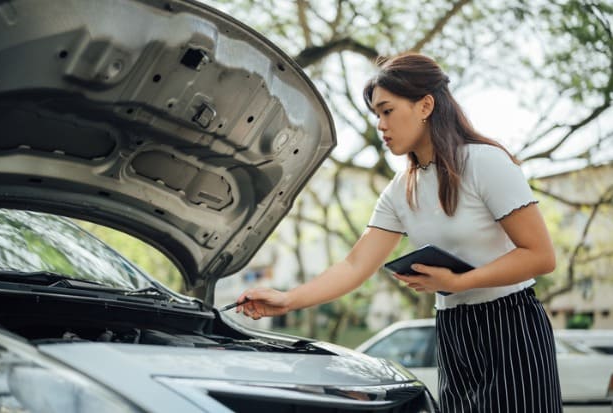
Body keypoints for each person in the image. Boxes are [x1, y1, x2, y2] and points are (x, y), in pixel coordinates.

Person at [235, 53, 562, 413]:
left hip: (511, 325)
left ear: (425, 106)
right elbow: (355, 264)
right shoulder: (399, 190)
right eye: (376, 114)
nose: (380, 124)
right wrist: (288, 299)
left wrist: (461, 282)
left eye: (387, 111)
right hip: (453, 329)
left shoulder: (485, 162)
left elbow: (540, 256)